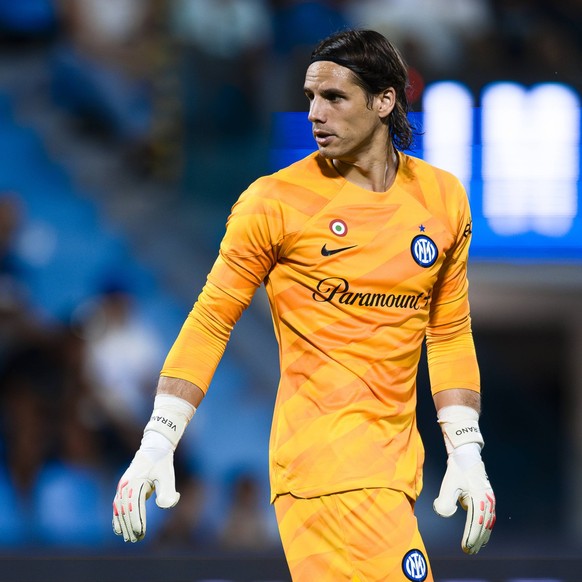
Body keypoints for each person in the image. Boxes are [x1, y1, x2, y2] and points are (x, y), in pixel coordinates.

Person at [113, 28, 496, 581]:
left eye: (334, 97)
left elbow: (450, 331)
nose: (316, 112)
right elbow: (211, 318)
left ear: (385, 100)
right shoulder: (275, 203)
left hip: (394, 471)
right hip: (326, 467)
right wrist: (159, 438)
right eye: (310, 97)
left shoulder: (442, 199)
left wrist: (466, 447)